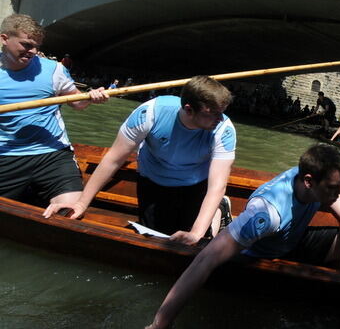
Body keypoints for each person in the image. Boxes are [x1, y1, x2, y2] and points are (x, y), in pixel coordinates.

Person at [141, 144, 340, 329]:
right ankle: (223, 220)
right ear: (309, 182)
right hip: (258, 250)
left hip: (290, 239)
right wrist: (159, 325)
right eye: (333, 188)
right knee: (216, 249)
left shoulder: (318, 182)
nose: (338, 193)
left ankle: (227, 220)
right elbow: (205, 260)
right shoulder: (266, 214)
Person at [44, 76, 236, 246]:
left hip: (195, 184)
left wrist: (196, 233)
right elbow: (113, 159)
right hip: (153, 180)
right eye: (214, 114)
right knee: (157, 239)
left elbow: (216, 187)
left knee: (195, 242)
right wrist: (81, 204)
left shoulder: (223, 129)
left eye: (222, 112)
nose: (220, 118)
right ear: (189, 109)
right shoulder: (151, 113)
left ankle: (220, 208)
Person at [0, 14, 108, 207]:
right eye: (26, 45)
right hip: (6, 154)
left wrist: (91, 97)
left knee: (70, 211)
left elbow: (77, 103)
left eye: (37, 47)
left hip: (52, 153)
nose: (33, 52)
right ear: (4, 39)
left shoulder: (53, 70)